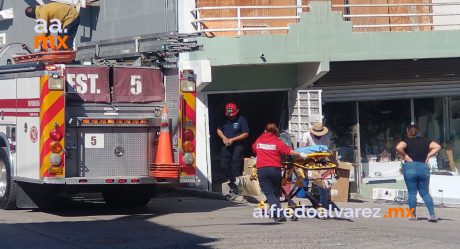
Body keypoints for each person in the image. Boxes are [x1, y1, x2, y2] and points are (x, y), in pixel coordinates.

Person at [253, 123, 307, 222]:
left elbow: (254, 149)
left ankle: (279, 214)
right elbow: (288, 151)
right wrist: (301, 154)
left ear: (265, 130)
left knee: (269, 193)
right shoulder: (277, 141)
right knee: (275, 192)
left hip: (263, 169)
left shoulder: (259, 140)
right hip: (275, 170)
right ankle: (275, 213)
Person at [396, 124, 441, 222]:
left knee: (412, 193)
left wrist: (406, 156)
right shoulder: (426, 141)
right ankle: (432, 215)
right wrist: (428, 155)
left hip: (410, 167)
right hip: (423, 167)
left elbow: (399, 147)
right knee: (425, 193)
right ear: (418, 131)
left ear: (408, 132)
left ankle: (412, 215)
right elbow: (438, 146)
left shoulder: (406, 141)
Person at [217, 102, 249, 195]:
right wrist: (223, 137)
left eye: (232, 115)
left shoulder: (241, 120)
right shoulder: (224, 119)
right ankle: (232, 181)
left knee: (235, 166)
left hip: (238, 145)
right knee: (223, 165)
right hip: (226, 145)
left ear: (237, 112)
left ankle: (237, 188)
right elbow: (218, 129)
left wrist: (233, 139)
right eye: (229, 116)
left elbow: (246, 133)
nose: (231, 117)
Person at [300, 122, 330, 209]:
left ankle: (324, 204)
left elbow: (326, 152)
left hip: (319, 161)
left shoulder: (325, 138)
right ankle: (305, 196)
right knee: (302, 180)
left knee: (321, 182)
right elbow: (303, 149)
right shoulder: (306, 135)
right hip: (306, 160)